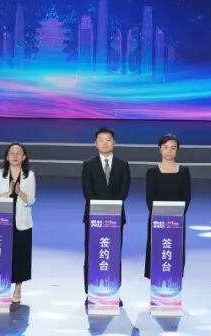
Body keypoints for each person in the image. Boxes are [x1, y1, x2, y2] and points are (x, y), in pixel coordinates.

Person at [81, 126, 131, 299]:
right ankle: (91, 293)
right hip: (93, 217)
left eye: (108, 140)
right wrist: (101, 211)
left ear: (114, 142)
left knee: (113, 253)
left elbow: (124, 190)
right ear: (95, 143)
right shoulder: (88, 165)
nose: (104, 143)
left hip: (116, 217)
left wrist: (112, 210)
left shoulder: (123, 165)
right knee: (93, 253)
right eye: (101, 140)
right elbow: (87, 191)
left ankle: (113, 292)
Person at [0, 142, 36, 304]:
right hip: (3, 221)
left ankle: (18, 288)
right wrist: (9, 192)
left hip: (22, 221)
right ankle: (2, 286)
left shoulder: (29, 175)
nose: (15, 156)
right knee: (2, 254)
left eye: (19, 153)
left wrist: (19, 192)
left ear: (24, 157)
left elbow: (30, 200)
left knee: (20, 256)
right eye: (12, 153)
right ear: (7, 156)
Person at [144, 134, 191, 280]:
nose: (169, 151)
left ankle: (174, 279)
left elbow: (187, 197)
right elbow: (149, 198)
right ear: (160, 149)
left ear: (177, 150)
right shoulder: (152, 172)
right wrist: (159, 216)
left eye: (173, 148)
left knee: (174, 249)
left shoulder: (184, 171)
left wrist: (177, 216)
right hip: (157, 219)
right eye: (166, 147)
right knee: (157, 249)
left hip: (177, 220)